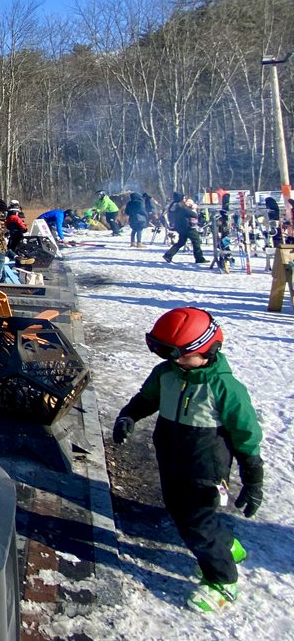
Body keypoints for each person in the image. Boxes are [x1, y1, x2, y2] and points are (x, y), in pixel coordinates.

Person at [112, 308, 263, 613]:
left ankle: (222, 579)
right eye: (165, 353)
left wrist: (253, 476)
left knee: (196, 524)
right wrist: (129, 415)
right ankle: (226, 547)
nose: (174, 360)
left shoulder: (225, 389)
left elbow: (247, 433)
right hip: (170, 457)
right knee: (181, 513)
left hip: (204, 468)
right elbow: (147, 398)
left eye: (179, 354)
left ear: (207, 349)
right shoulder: (167, 373)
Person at [164, 193, 208, 265]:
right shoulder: (181, 207)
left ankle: (168, 255)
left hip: (179, 226)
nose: (184, 200)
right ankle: (199, 258)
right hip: (187, 227)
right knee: (196, 240)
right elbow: (194, 214)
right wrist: (191, 209)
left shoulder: (172, 206)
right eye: (183, 198)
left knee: (181, 242)